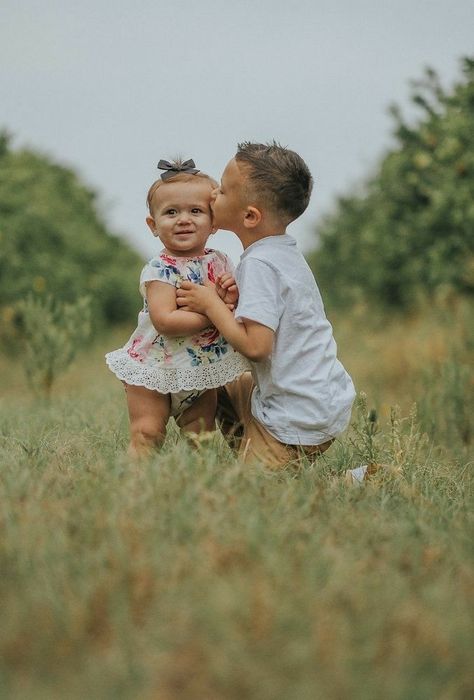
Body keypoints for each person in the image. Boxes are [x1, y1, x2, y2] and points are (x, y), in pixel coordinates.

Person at [176, 141, 356, 469]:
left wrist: (211, 305)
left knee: (249, 500)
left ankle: (361, 479)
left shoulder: (259, 264)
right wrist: (232, 304)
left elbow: (257, 347)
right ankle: (252, 451)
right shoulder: (280, 253)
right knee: (216, 380)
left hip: (297, 419)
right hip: (317, 397)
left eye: (224, 190)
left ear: (250, 216)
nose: (213, 193)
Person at [106, 159, 250, 457]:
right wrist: (214, 311)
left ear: (214, 221)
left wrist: (229, 296)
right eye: (171, 212)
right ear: (153, 225)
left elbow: (232, 304)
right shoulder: (160, 269)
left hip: (199, 369)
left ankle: (198, 489)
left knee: (201, 436)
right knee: (147, 432)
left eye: (195, 211)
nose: (183, 219)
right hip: (155, 367)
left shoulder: (221, 261)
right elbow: (165, 320)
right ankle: (135, 488)